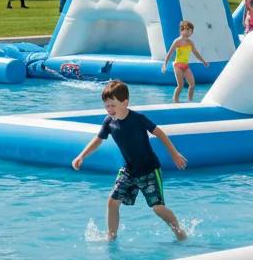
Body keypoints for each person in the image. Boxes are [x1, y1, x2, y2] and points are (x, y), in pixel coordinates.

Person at [71, 79, 188, 241]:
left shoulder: (138, 119)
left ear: (125, 103)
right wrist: (82, 156)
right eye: (106, 106)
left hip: (149, 170)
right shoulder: (109, 122)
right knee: (112, 202)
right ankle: (111, 237)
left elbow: (159, 133)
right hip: (129, 170)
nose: (109, 109)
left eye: (113, 105)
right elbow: (98, 140)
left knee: (158, 208)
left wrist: (174, 154)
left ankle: (179, 232)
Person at [161, 20, 209, 102]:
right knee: (180, 85)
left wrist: (203, 61)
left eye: (190, 31)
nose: (188, 32)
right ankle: (176, 101)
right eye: (187, 30)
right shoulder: (177, 41)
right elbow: (169, 54)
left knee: (192, 85)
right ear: (182, 30)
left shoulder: (190, 43)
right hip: (177, 65)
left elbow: (196, 53)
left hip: (185, 66)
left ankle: (190, 101)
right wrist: (164, 65)